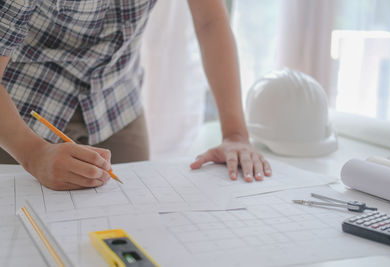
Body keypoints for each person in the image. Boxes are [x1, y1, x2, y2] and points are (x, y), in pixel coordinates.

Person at [0, 0, 271, 190]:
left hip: (116, 103)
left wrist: (235, 134)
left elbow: (210, 21)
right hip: (21, 110)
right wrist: (33, 154)